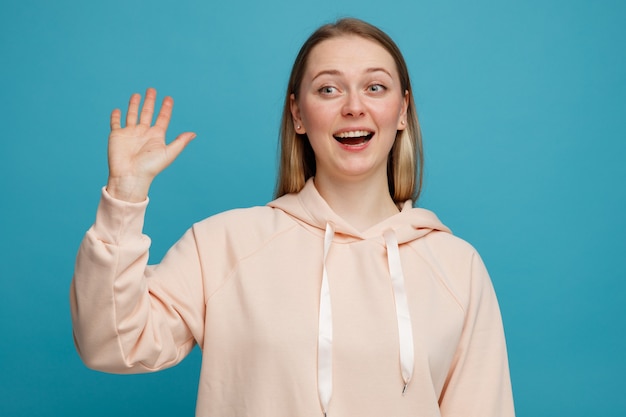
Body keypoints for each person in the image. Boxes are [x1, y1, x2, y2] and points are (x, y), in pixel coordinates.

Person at [70, 18, 515, 417]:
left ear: (402, 111)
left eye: (375, 87)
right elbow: (110, 343)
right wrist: (125, 197)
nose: (354, 107)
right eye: (328, 88)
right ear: (298, 114)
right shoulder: (223, 244)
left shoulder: (458, 267)